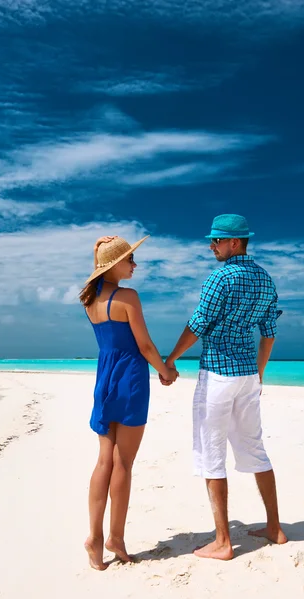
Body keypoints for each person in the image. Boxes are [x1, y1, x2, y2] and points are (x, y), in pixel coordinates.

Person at [163, 214, 287, 560]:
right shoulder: (264, 278)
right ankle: (275, 527)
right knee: (256, 449)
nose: (211, 246)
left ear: (235, 242)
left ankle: (222, 541)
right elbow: (269, 333)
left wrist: (171, 358)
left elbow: (198, 325)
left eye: (216, 241)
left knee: (212, 455)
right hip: (247, 376)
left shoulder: (220, 278)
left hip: (218, 374)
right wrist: (259, 373)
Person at [80, 234, 178, 571]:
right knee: (123, 464)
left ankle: (94, 538)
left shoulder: (90, 301)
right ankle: (115, 538)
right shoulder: (127, 297)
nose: (134, 265)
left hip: (104, 377)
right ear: (112, 266)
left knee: (103, 461)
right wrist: (165, 371)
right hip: (131, 380)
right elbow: (145, 345)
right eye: (130, 259)